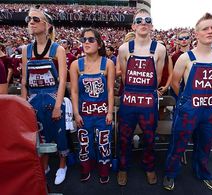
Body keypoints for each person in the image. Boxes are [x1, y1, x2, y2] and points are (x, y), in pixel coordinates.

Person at [163, 13, 212, 192]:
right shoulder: (186, 58)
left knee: (205, 144)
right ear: (197, 33)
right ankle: (170, 173)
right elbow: (175, 83)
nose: (210, 31)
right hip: (189, 110)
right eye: (205, 28)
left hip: (209, 111)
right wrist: (187, 101)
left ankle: (203, 174)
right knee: (178, 143)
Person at [117, 9, 166, 186]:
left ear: (151, 25)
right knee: (124, 137)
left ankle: (149, 166)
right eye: (139, 20)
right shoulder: (124, 48)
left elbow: (158, 77)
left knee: (150, 137)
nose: (143, 23)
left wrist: (144, 91)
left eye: (147, 20)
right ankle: (123, 168)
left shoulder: (160, 48)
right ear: (133, 25)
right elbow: (123, 76)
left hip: (148, 99)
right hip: (129, 98)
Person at [21, 7, 69, 185]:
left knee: (60, 133)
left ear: (47, 25)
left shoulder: (59, 49)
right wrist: (25, 105)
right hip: (34, 99)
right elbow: (25, 80)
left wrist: (57, 106)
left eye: (35, 19)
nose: (30, 22)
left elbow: (63, 81)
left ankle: (63, 165)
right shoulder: (26, 50)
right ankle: (45, 164)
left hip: (53, 97)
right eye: (29, 19)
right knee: (39, 135)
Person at [70, 28, 115, 184]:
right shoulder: (76, 64)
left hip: (103, 112)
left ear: (99, 43)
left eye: (90, 40)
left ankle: (104, 169)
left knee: (104, 142)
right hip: (84, 113)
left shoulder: (108, 63)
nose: (86, 43)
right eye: (84, 40)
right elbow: (74, 92)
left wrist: (110, 112)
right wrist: (76, 114)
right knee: (84, 143)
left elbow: (110, 90)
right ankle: (85, 168)